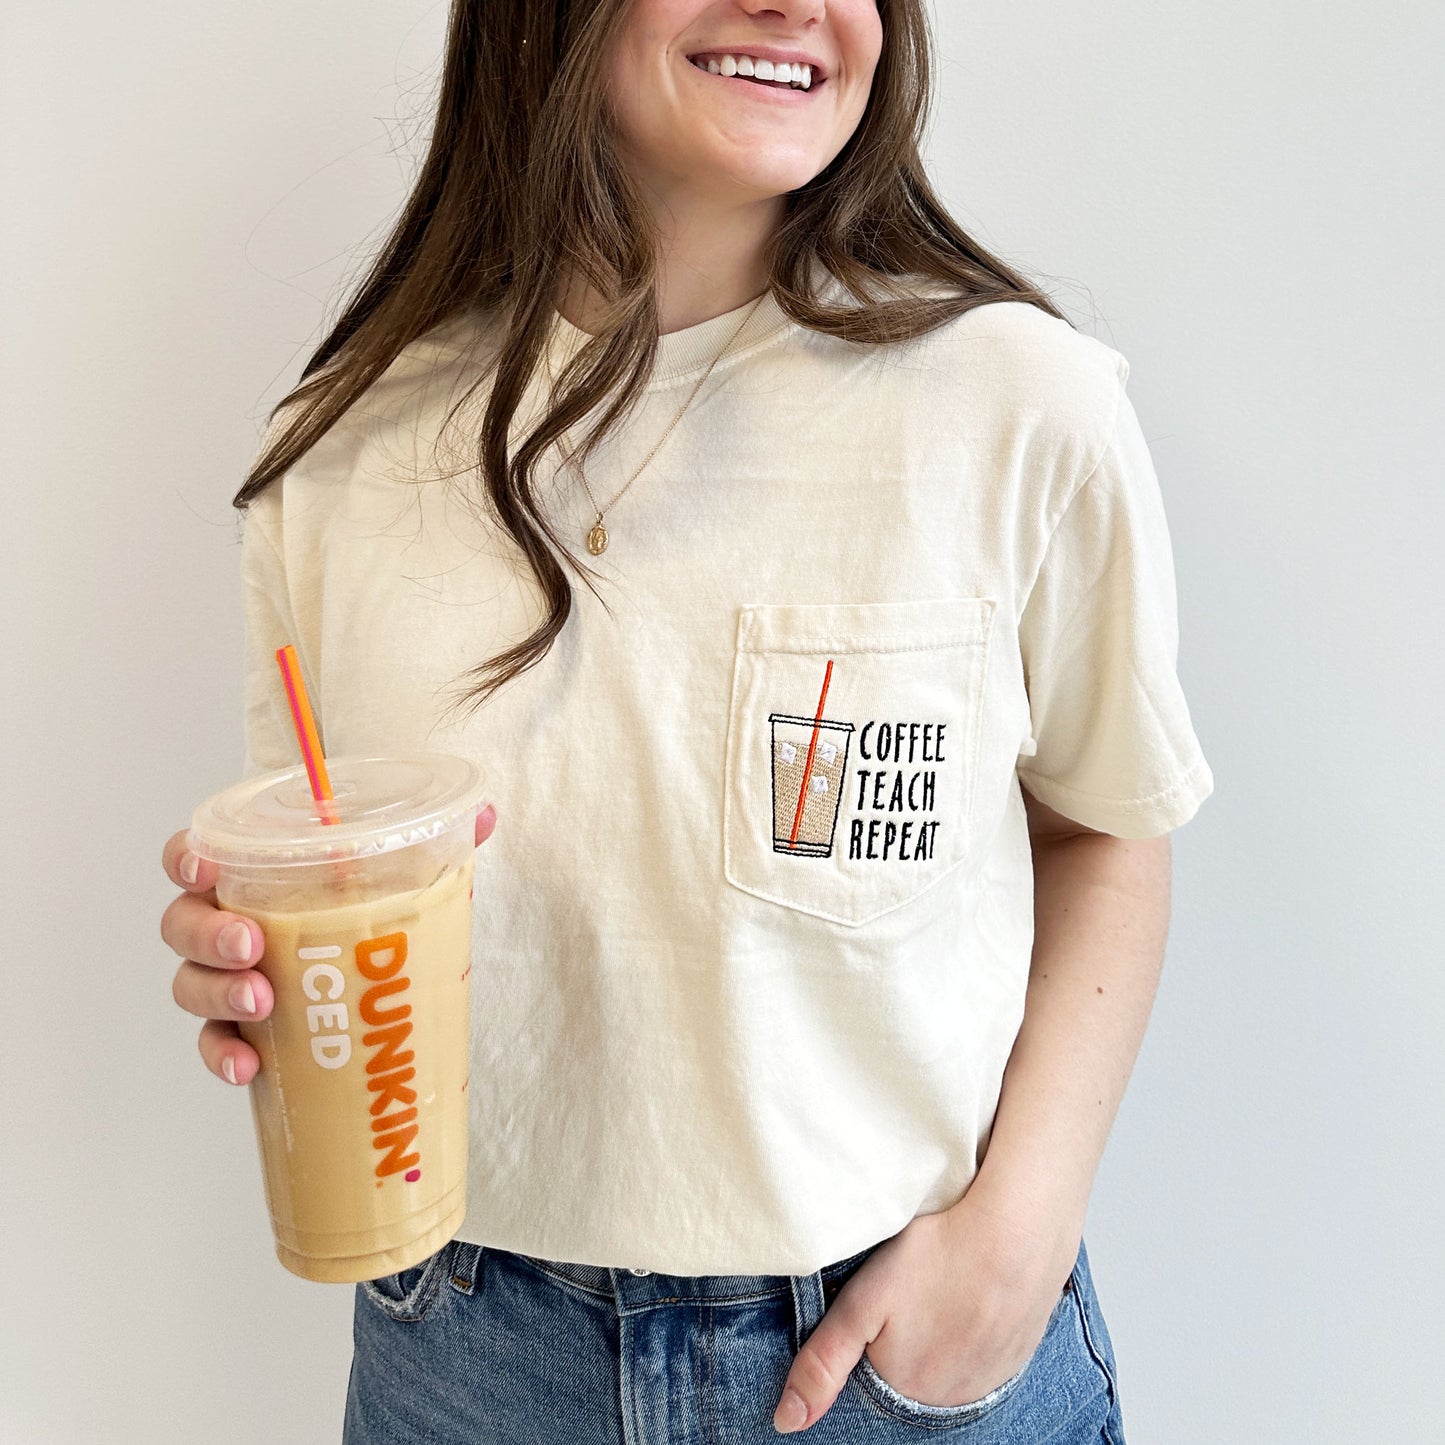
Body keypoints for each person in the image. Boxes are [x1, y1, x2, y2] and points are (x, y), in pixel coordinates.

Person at [159, 1, 1214, 1440]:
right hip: (465, 1356)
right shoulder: (346, 452)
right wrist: (250, 977)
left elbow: (1105, 825)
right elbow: (320, 896)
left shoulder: (1019, 408)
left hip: (895, 1361)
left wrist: (1018, 1227)